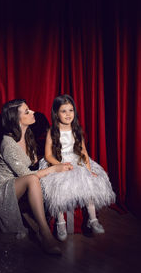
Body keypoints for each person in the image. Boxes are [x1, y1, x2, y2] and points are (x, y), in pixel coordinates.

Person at [0, 99, 72, 255]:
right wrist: (54, 169)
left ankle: (57, 217)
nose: (32, 112)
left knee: (45, 167)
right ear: (16, 119)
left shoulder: (27, 135)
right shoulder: (7, 144)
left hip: (19, 182)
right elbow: (27, 175)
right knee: (34, 178)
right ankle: (44, 233)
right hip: (1, 188)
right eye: (27, 111)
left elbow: (34, 163)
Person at [39, 94, 116, 241]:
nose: (68, 114)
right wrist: (59, 165)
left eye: (71, 110)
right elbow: (48, 155)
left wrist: (88, 169)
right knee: (59, 187)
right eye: (64, 111)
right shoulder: (52, 131)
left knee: (88, 182)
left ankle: (92, 219)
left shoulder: (76, 130)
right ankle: (60, 223)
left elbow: (83, 152)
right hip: (59, 162)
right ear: (56, 113)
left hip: (76, 161)